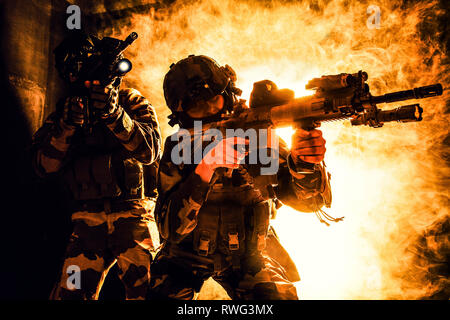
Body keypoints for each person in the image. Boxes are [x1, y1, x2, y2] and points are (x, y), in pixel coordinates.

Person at [147, 55, 332, 300]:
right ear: (184, 116)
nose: (212, 111)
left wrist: (305, 163)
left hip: (249, 253)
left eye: (215, 100)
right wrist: (206, 167)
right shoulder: (180, 148)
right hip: (184, 257)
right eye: (198, 108)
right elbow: (171, 230)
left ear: (229, 93)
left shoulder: (261, 136)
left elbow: (310, 203)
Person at [31, 32, 161, 300]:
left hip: (133, 216)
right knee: (70, 295)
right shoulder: (64, 112)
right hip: (87, 221)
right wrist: (67, 127)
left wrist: (115, 116)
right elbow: (43, 167)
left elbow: (150, 152)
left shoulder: (129, 101)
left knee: (150, 294)